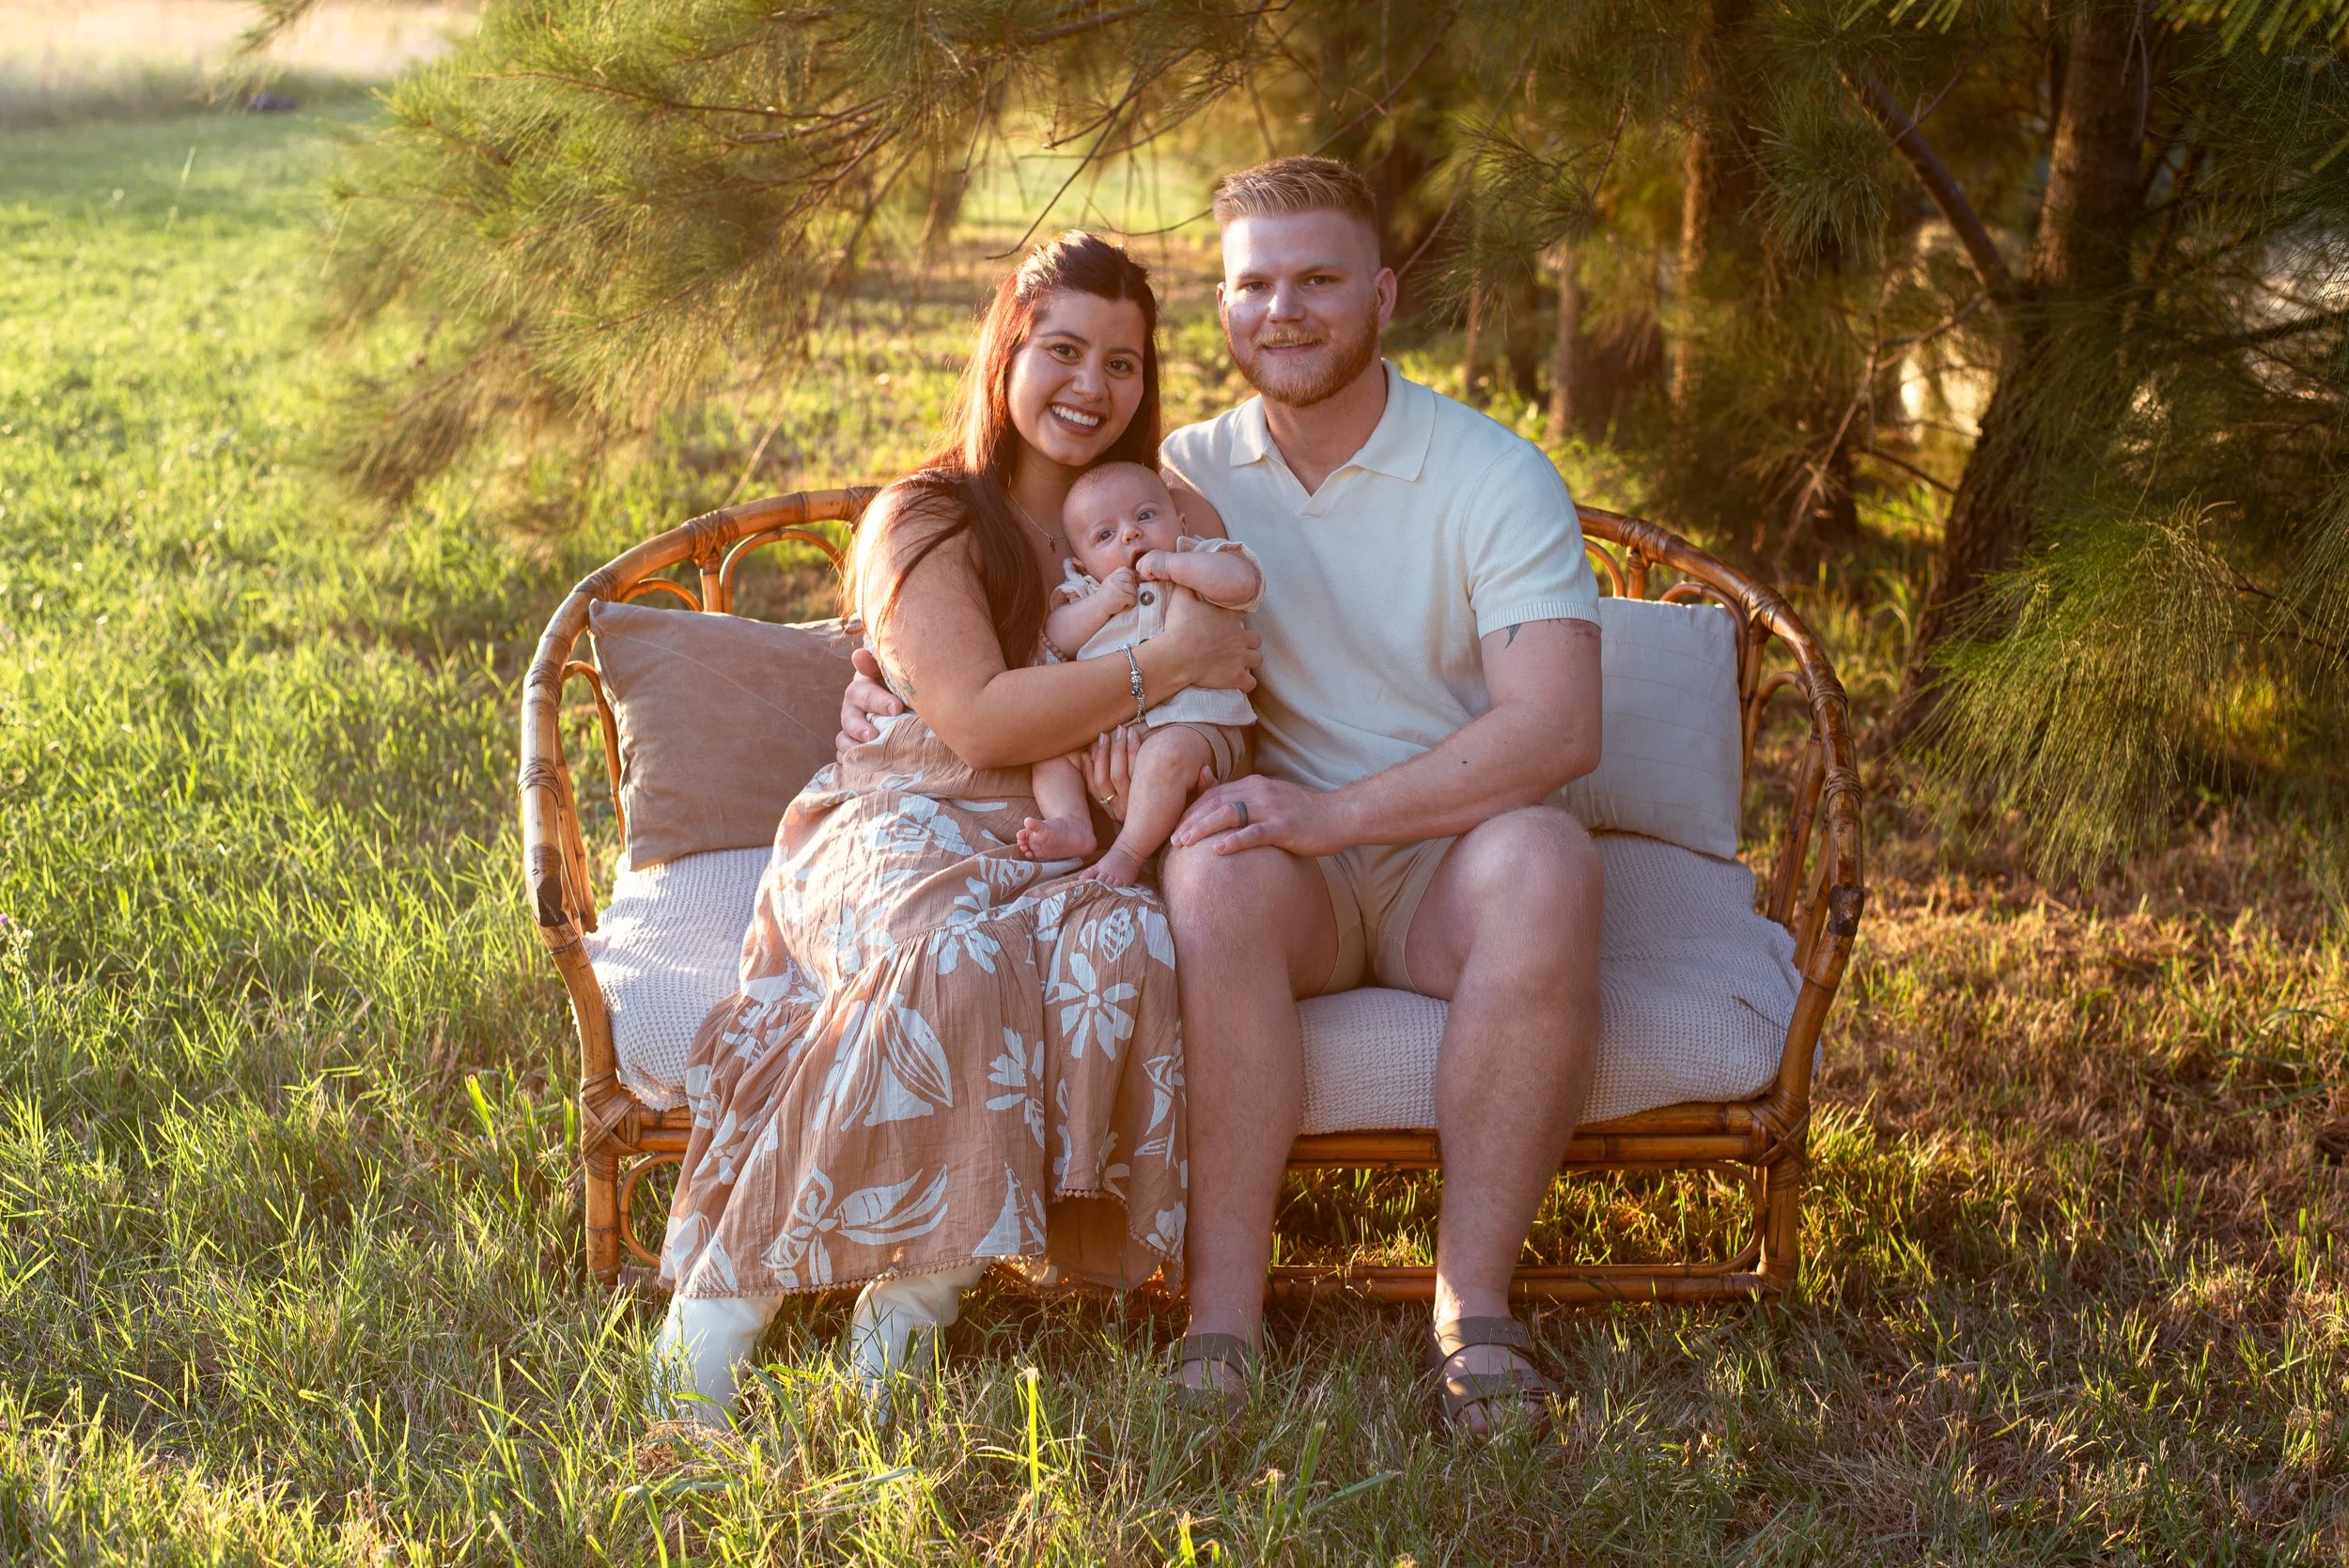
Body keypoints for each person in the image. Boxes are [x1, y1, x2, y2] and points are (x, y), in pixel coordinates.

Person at [839, 157, 1606, 1436]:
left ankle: (1474, 1308)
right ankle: (1221, 1315)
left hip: (1442, 856)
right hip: (1271, 856)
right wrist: (875, 673)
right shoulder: (1176, 475)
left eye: (1317, 280)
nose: (1284, 311)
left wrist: (1342, 815)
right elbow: (1001, 600)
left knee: (1550, 862)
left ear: (1382, 292)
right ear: (1226, 305)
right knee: (1208, 862)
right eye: (1254, 284)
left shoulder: (1491, 473)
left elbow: (1558, 726)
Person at [651, 231, 1261, 1426]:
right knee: (954, 951)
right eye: (1064, 350)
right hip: (896, 820)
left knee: (1119, 949)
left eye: (1125, 364)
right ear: (1006, 349)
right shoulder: (925, 518)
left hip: (1059, 840)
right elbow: (979, 721)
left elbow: (1234, 673)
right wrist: (1154, 665)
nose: (1093, 386)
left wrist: (1175, 723)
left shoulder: (1162, 509)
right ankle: (715, 1319)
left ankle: (904, 1321)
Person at [1018, 461, 1264, 887]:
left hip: (1191, 723)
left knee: (1167, 757)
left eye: (1145, 516)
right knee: (1050, 750)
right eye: (1105, 535)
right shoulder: (1088, 589)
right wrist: (1100, 604)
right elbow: (1057, 636)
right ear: (1082, 561)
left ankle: (1127, 852)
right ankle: (1072, 822)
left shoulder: (1198, 556)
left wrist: (1174, 566)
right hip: (1106, 729)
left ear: (1181, 522)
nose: (1130, 534)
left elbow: (1245, 582)